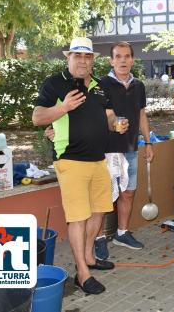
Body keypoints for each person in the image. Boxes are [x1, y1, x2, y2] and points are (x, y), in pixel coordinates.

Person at [32, 37, 126, 295]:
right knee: (78, 217)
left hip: (98, 159)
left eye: (87, 57)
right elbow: (38, 117)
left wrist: (117, 122)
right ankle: (82, 274)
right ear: (68, 58)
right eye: (77, 56)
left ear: (92, 60)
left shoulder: (98, 86)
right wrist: (63, 108)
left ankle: (90, 258)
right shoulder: (55, 83)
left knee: (99, 211)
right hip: (70, 160)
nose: (83, 61)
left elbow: (109, 117)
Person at [93, 41, 155, 259]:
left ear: (132, 60)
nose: (122, 60)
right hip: (107, 150)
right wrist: (111, 121)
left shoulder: (138, 85)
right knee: (104, 197)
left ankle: (121, 233)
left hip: (130, 148)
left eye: (127, 56)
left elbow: (141, 115)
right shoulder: (100, 84)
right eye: (118, 56)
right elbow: (94, 116)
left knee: (128, 193)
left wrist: (148, 143)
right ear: (111, 60)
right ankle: (98, 238)